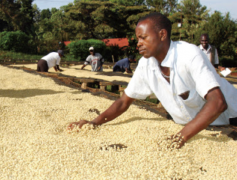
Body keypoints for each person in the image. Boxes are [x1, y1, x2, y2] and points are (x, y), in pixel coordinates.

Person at [68, 12, 237, 148]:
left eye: (143, 38)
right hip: (196, 129)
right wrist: (93, 122)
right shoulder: (145, 65)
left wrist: (179, 138)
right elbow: (123, 102)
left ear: (162, 34)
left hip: (230, 120)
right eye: (138, 39)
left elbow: (217, 103)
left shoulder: (189, 55)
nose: (138, 44)